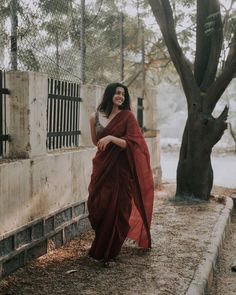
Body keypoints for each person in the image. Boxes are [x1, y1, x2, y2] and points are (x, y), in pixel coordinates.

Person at [87, 82, 154, 266]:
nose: (120, 96)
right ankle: (99, 246)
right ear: (109, 94)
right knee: (99, 206)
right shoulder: (94, 117)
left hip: (121, 171)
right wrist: (105, 140)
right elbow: (96, 142)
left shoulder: (128, 117)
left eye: (123, 94)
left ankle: (110, 252)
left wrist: (111, 138)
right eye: (117, 93)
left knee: (120, 210)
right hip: (102, 168)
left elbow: (133, 144)